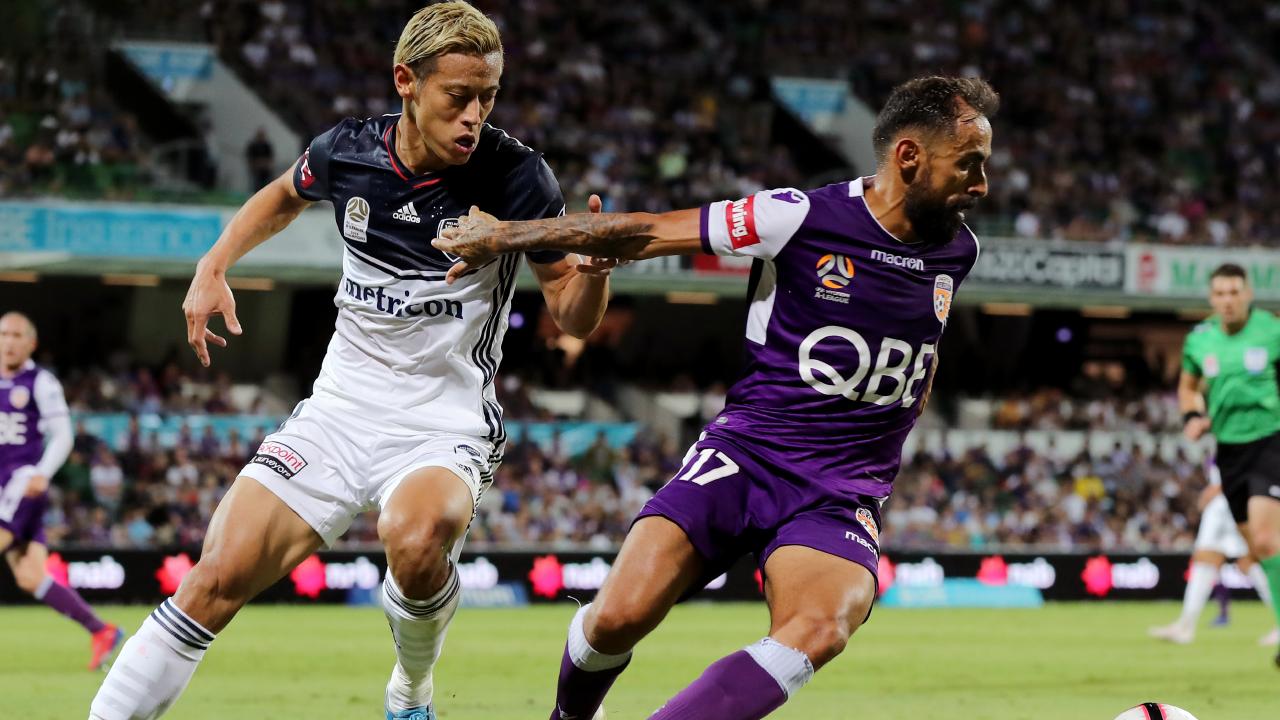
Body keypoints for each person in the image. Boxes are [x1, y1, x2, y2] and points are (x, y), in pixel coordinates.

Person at [89, 4, 613, 719]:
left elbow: (571, 315)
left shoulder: (518, 180)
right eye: (458, 96)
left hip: (443, 420)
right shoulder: (349, 152)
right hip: (337, 413)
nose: (474, 116)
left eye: (487, 97)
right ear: (406, 81)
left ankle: (410, 690)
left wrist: (596, 272)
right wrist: (215, 263)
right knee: (214, 577)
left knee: (417, 535)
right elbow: (280, 196)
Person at [438, 75, 998, 720]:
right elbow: (647, 231)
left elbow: (921, 350)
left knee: (820, 629)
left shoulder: (959, 250)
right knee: (617, 618)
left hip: (841, 490)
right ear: (909, 157)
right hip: (747, 455)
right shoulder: (801, 216)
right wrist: (501, 236)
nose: (981, 185)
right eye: (969, 164)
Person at [0, 311, 124, 670]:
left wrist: (42, 472)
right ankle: (102, 630)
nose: (9, 341)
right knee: (29, 577)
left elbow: (63, 434)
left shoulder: (40, 382)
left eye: (17, 335)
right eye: (4, 334)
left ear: (31, 343)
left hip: (21, 484)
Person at [1178, 263, 1280, 668]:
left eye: (1234, 292)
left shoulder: (1272, 330)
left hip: (1271, 441)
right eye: (1220, 293)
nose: (1228, 300)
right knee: (1257, 548)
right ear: (1211, 298)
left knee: (1267, 540)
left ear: (1248, 294)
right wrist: (1191, 417)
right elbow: (1188, 387)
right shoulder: (1199, 340)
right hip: (1229, 451)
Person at [1149, 461, 1278, 646]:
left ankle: (1186, 626)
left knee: (1249, 561)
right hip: (1231, 500)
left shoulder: (1237, 436)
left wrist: (1214, 490)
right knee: (1220, 562)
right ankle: (1186, 625)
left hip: (1229, 501)